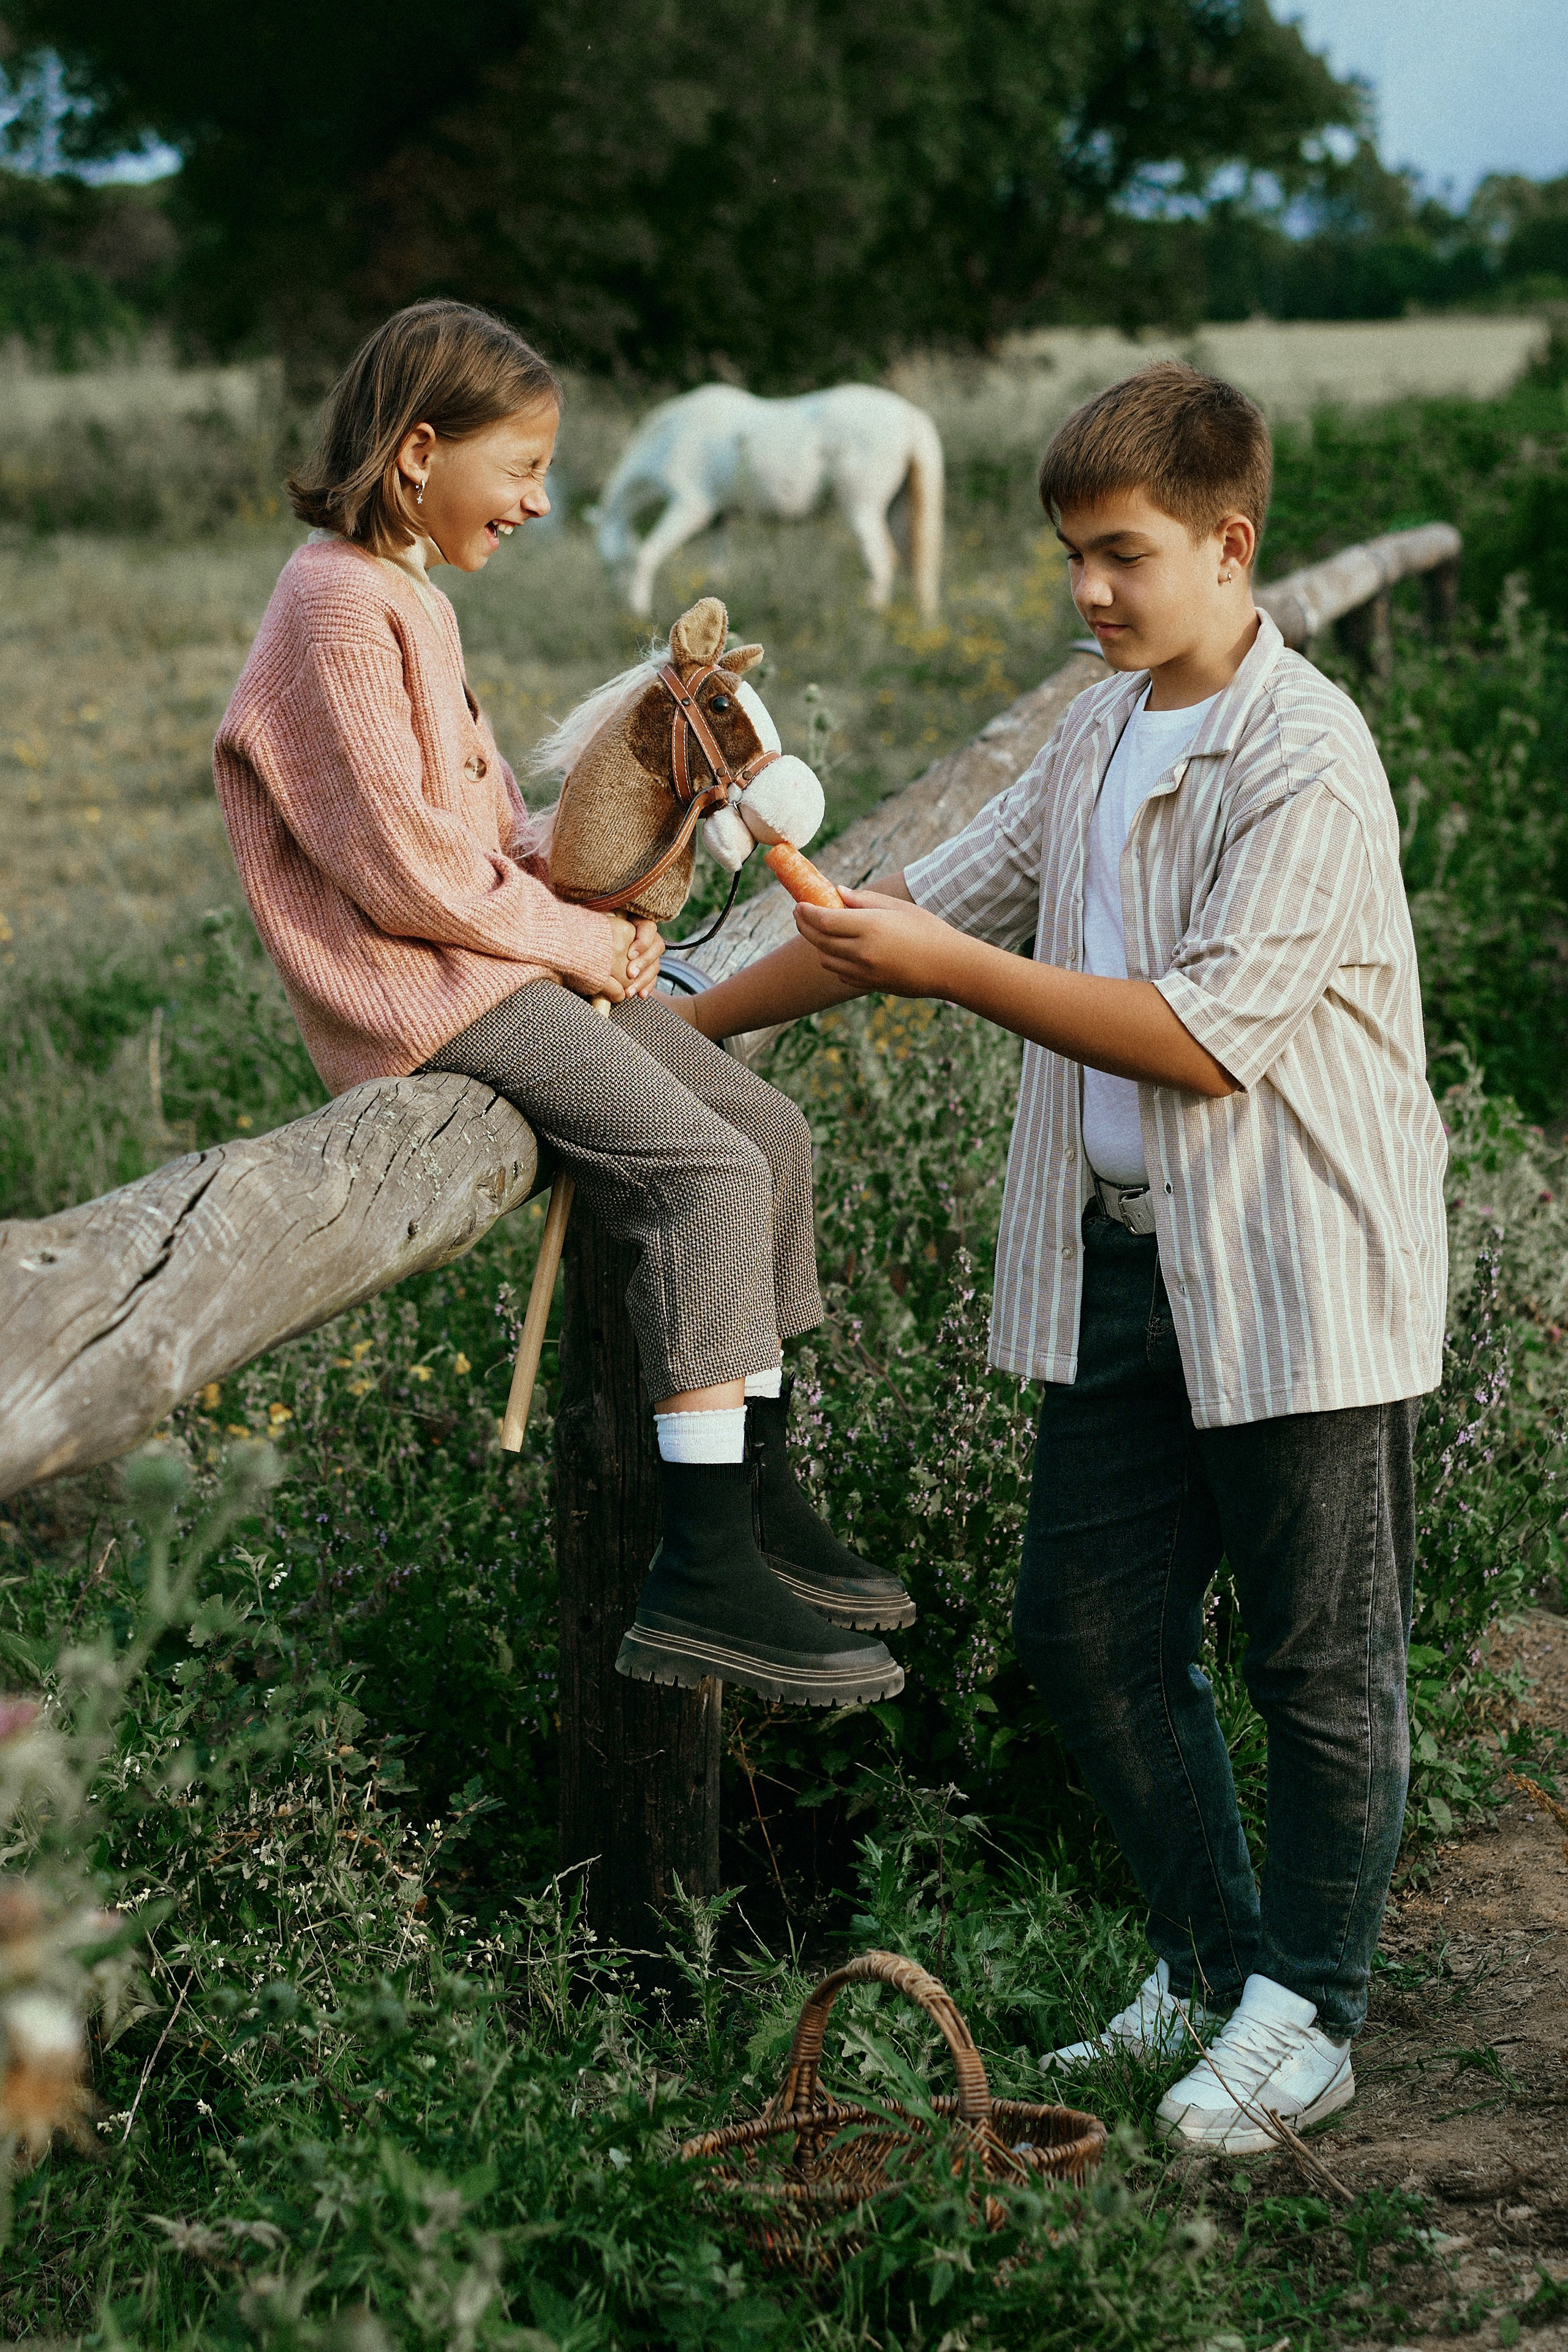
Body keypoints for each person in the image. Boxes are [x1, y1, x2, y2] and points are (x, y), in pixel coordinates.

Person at [679, 360, 1448, 2153]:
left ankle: (1313, 2014)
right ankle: (1207, 1962)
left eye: (1122, 555)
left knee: (1322, 1663)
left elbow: (1201, 1035)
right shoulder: (1099, 729)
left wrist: (938, 969)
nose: (1089, 592)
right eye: (1071, 559)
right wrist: (678, 1018)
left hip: (1294, 1263)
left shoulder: (1307, 754)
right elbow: (909, 919)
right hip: (1127, 1263)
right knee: (1089, 1629)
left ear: (1231, 544)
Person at [213, 298, 911, 1711]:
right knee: (701, 1175)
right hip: (425, 992)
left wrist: (581, 892)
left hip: (490, 958)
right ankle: (699, 1570)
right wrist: (572, 945)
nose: (538, 500)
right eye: (518, 467)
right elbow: (404, 865)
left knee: (766, 1133)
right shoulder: (337, 605)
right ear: (416, 455)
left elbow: (476, 826)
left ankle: (756, 1499)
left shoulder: (408, 594)